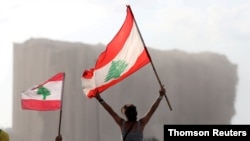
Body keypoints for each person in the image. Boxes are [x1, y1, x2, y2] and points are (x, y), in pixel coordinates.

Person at [95, 87, 166, 141]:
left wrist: (100, 99)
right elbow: (152, 110)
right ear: (136, 113)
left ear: (126, 115)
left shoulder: (122, 123)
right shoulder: (141, 124)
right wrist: (160, 96)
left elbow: (110, 111)